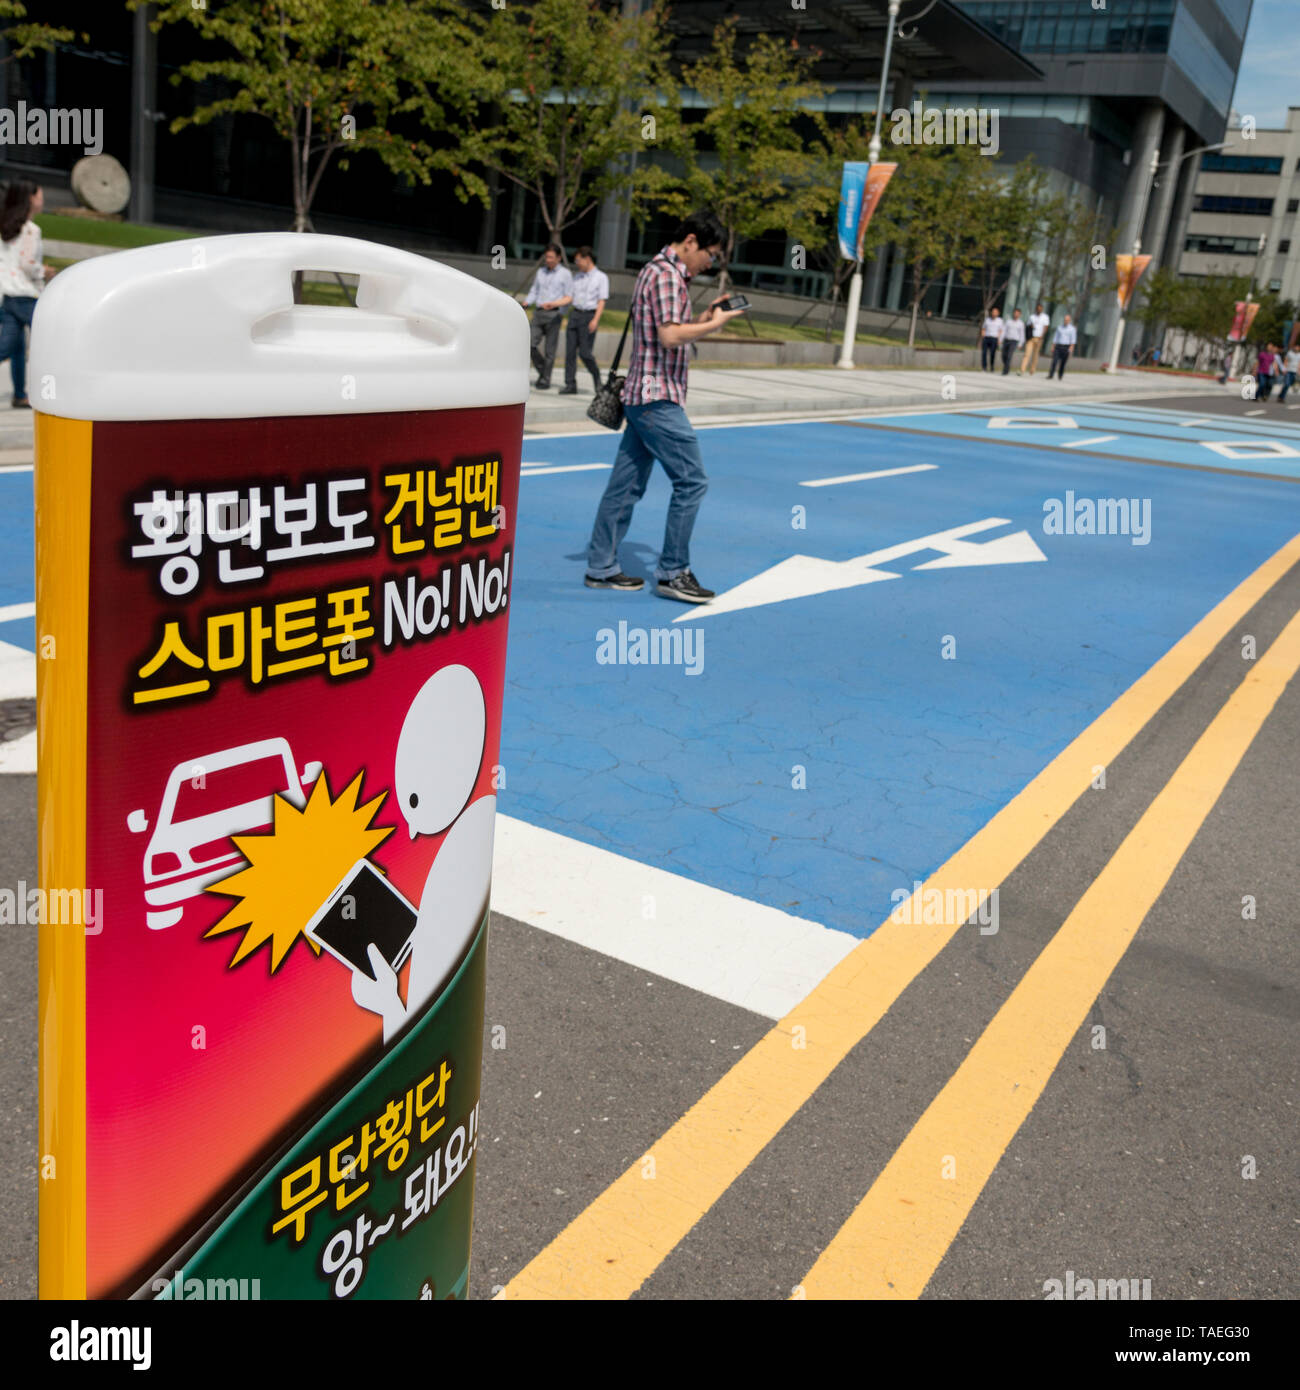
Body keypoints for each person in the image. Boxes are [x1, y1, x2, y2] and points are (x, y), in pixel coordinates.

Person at [583, 211, 745, 602]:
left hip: (642, 395)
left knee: (625, 487)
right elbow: (670, 336)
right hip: (657, 398)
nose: (710, 262)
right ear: (690, 241)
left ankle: (601, 566)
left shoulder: (658, 272)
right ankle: (673, 571)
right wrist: (715, 325)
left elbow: (669, 327)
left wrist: (703, 317)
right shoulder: (667, 275)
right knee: (692, 481)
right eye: (710, 253)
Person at [0, 179, 51, 408]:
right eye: (40, 195)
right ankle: (50, 393)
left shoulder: (5, 225)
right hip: (26, 297)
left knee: (14, 347)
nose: (42, 200)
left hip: (7, 296)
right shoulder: (31, 229)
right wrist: (45, 271)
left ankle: (20, 395)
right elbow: (28, 265)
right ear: (30, 198)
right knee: (48, 343)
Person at [518, 243, 572, 390]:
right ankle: (543, 370)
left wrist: (555, 305)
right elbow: (534, 290)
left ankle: (545, 379)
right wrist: (526, 302)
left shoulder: (565, 274)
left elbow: (569, 297)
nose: (548, 260)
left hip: (554, 314)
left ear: (559, 258)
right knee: (529, 344)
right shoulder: (541, 272)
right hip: (539, 312)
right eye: (546, 257)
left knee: (550, 350)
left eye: (551, 257)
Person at [561, 245, 607, 396]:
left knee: (585, 353)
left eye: (579, 261)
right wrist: (561, 312)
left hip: (589, 316)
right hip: (575, 315)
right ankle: (570, 384)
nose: (577, 264)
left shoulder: (601, 277)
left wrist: (595, 320)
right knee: (570, 352)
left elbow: (601, 301)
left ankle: (597, 379)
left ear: (587, 259)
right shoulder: (577, 277)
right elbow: (570, 297)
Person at [1020, 302, 1050, 376]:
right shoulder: (1032, 317)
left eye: (1040, 308)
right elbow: (1027, 325)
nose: (1039, 310)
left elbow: (1046, 327)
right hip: (1031, 338)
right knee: (1027, 354)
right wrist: (1031, 326)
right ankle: (1022, 370)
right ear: (1036, 309)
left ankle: (1032, 370)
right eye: (1037, 308)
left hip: (1039, 338)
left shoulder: (1045, 317)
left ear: (1042, 309)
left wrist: (1042, 335)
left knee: (1035, 355)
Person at [1048, 314, 1076, 380]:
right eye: (1065, 320)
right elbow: (1055, 337)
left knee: (1063, 363)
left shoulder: (1072, 329)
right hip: (1058, 347)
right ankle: (1051, 375)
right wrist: (1053, 346)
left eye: (1067, 320)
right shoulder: (1059, 327)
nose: (1065, 321)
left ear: (1069, 321)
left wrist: (1071, 349)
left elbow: (1073, 340)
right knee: (1054, 361)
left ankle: (1060, 375)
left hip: (1066, 347)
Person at [1001, 308, 1025, 375]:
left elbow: (1022, 334)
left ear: (1020, 314)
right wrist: (1000, 339)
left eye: (1017, 313)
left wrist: (1020, 344)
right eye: (1015, 313)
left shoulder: (1021, 324)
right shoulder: (1008, 321)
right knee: (1003, 355)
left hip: (1014, 341)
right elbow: (1004, 330)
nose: (1016, 314)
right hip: (1006, 340)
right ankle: (1007, 366)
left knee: (1009, 356)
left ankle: (1005, 371)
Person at [980, 306, 1003, 371]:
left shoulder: (1000, 321)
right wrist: (983, 336)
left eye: (995, 312)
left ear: (998, 313)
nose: (994, 313)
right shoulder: (987, 320)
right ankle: (984, 367)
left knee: (992, 353)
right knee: (984, 353)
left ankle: (992, 366)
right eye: (993, 312)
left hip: (994, 338)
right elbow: (983, 328)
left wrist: (999, 339)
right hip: (986, 338)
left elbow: (1001, 331)